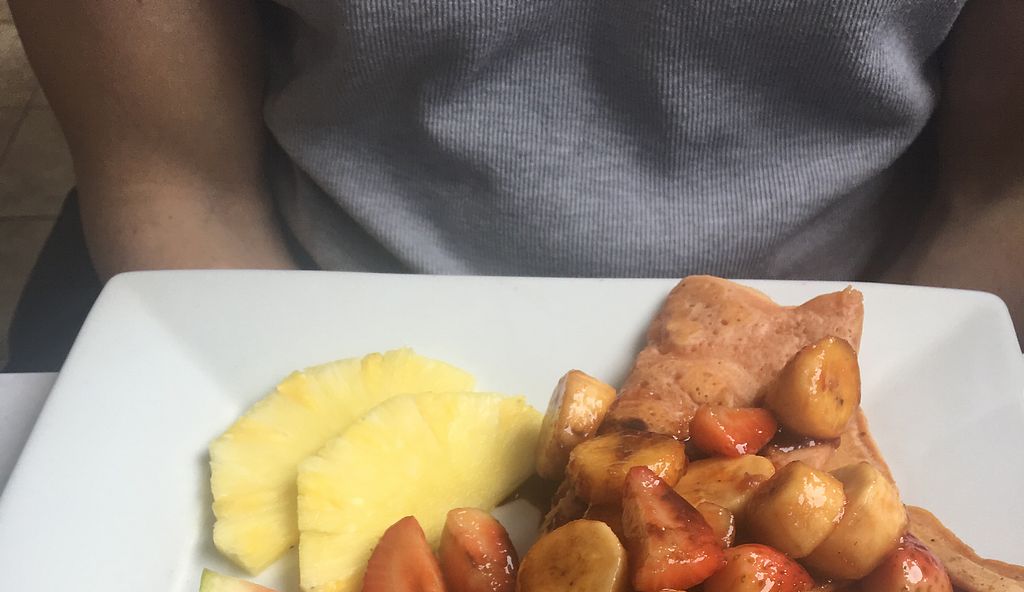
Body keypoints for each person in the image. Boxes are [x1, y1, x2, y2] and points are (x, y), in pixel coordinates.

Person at [7, 0, 1023, 372]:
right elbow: (180, 186)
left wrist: (867, 426)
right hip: (320, 324)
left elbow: (998, 197)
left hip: (863, 349)